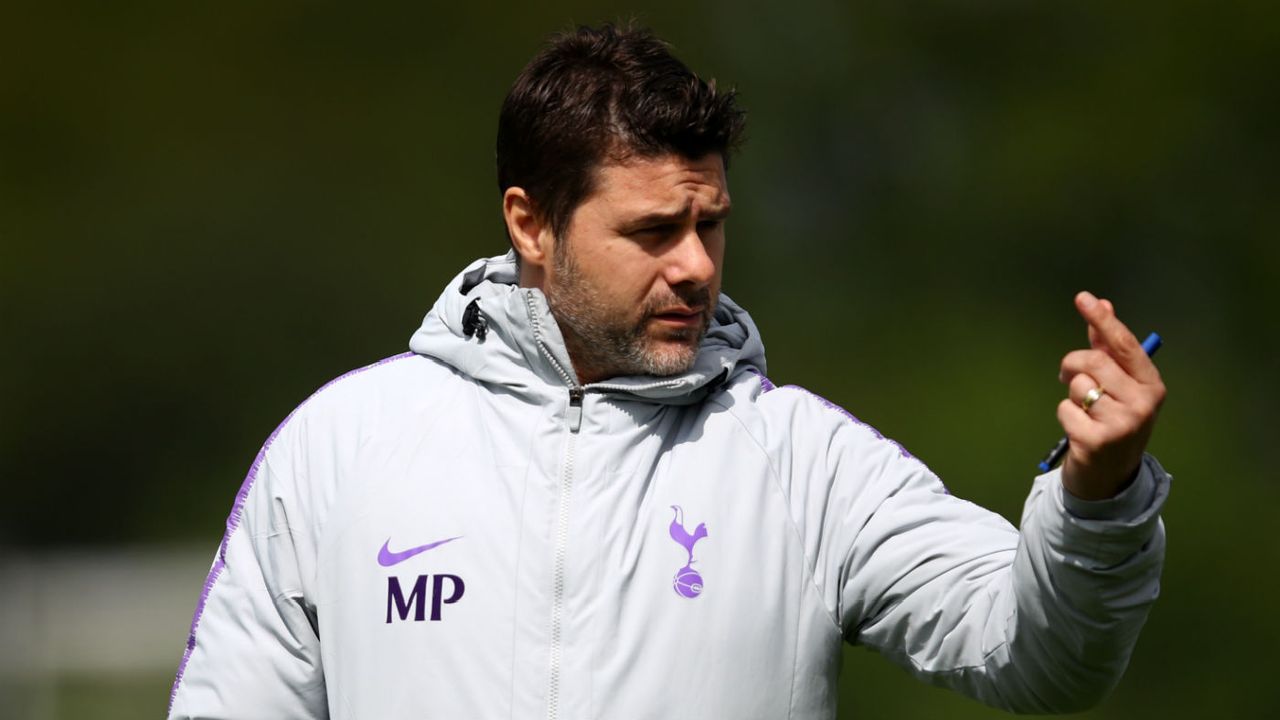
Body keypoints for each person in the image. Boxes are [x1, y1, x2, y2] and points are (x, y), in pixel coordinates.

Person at [167, 23, 1170, 720]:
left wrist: (1096, 496)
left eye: (709, 225)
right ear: (529, 223)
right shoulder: (339, 450)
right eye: (651, 230)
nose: (693, 263)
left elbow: (1040, 657)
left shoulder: (799, 462)